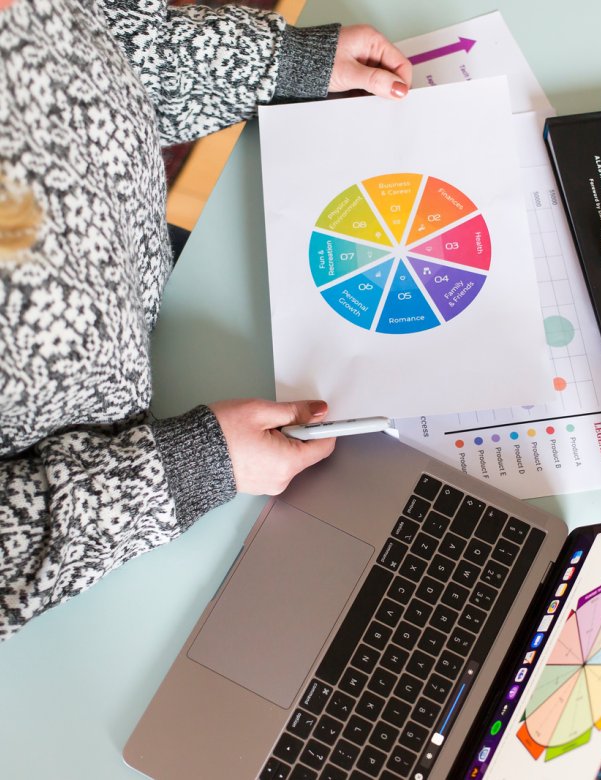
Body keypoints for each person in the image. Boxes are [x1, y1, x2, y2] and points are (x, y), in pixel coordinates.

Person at [0, 0, 413, 641]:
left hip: (154, 317)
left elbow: (115, 45)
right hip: (104, 553)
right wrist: (183, 469)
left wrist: (283, 62)